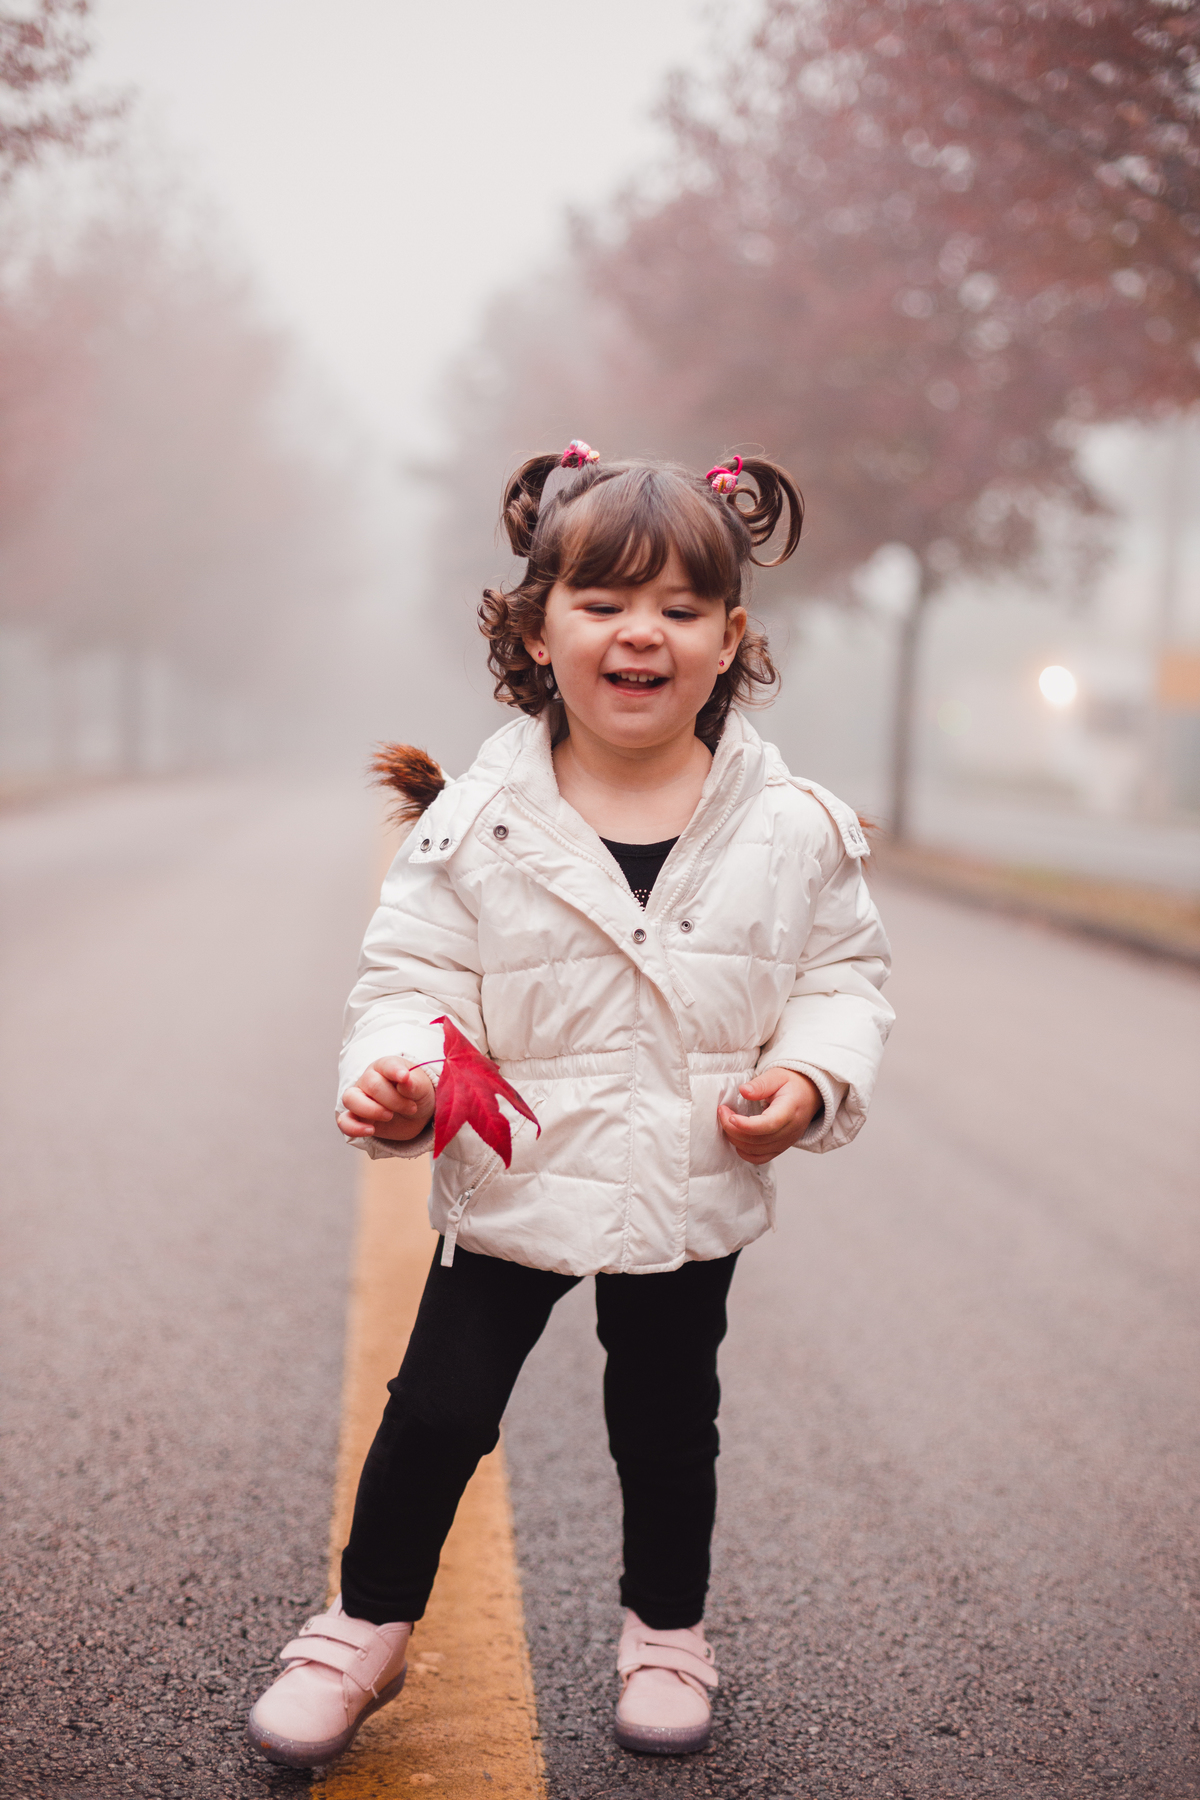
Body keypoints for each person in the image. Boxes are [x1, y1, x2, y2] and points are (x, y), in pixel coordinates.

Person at [247, 441, 894, 1768]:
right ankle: (363, 1628)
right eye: (603, 603)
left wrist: (813, 1076)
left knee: (664, 1417)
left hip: (685, 1174)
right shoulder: (476, 823)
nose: (640, 633)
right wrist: (408, 1081)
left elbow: (844, 976)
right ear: (537, 631)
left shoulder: (791, 828)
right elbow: (413, 982)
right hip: (514, 1172)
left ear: (730, 641)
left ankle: (666, 1630)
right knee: (438, 1406)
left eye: (679, 608)